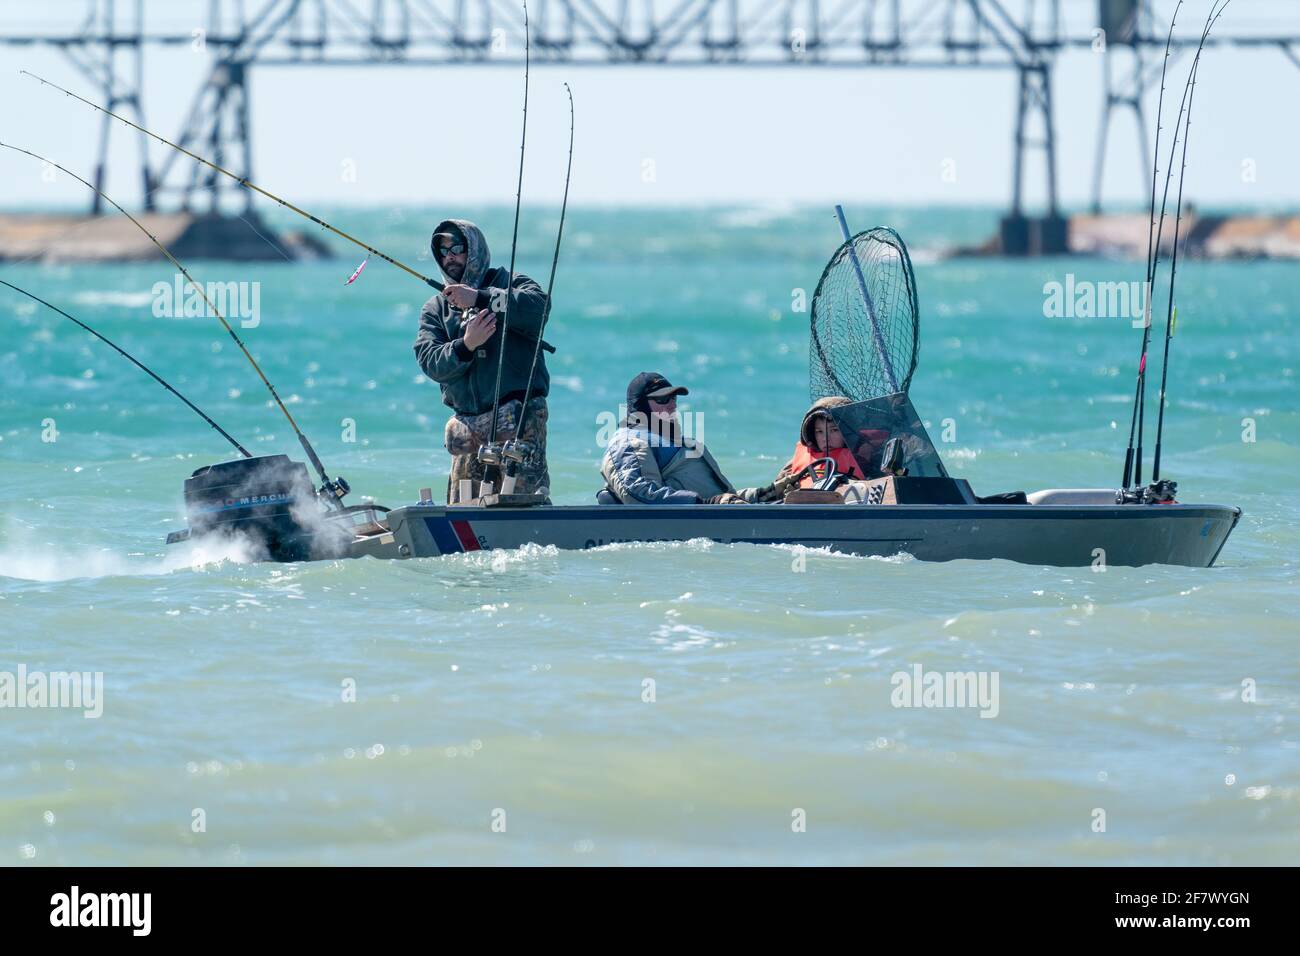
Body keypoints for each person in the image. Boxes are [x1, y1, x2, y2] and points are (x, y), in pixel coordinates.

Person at [413, 219, 552, 502]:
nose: (449, 256)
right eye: (442, 251)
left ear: (474, 249)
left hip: (519, 419)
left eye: (457, 247)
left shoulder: (509, 283)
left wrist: (480, 298)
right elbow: (429, 360)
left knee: (524, 505)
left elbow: (539, 309)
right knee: (464, 510)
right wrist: (466, 346)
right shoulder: (436, 308)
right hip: (467, 427)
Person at [599, 372, 780, 504]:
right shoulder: (628, 442)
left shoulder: (678, 441)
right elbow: (639, 494)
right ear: (640, 405)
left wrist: (759, 495)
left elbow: (716, 496)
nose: (672, 405)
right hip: (690, 524)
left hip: (715, 517)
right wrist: (707, 504)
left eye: (673, 398)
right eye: (662, 399)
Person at [774, 396, 871, 489]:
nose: (826, 438)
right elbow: (774, 489)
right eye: (819, 432)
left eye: (834, 430)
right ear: (812, 434)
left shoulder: (867, 458)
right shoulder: (797, 461)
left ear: (849, 431)